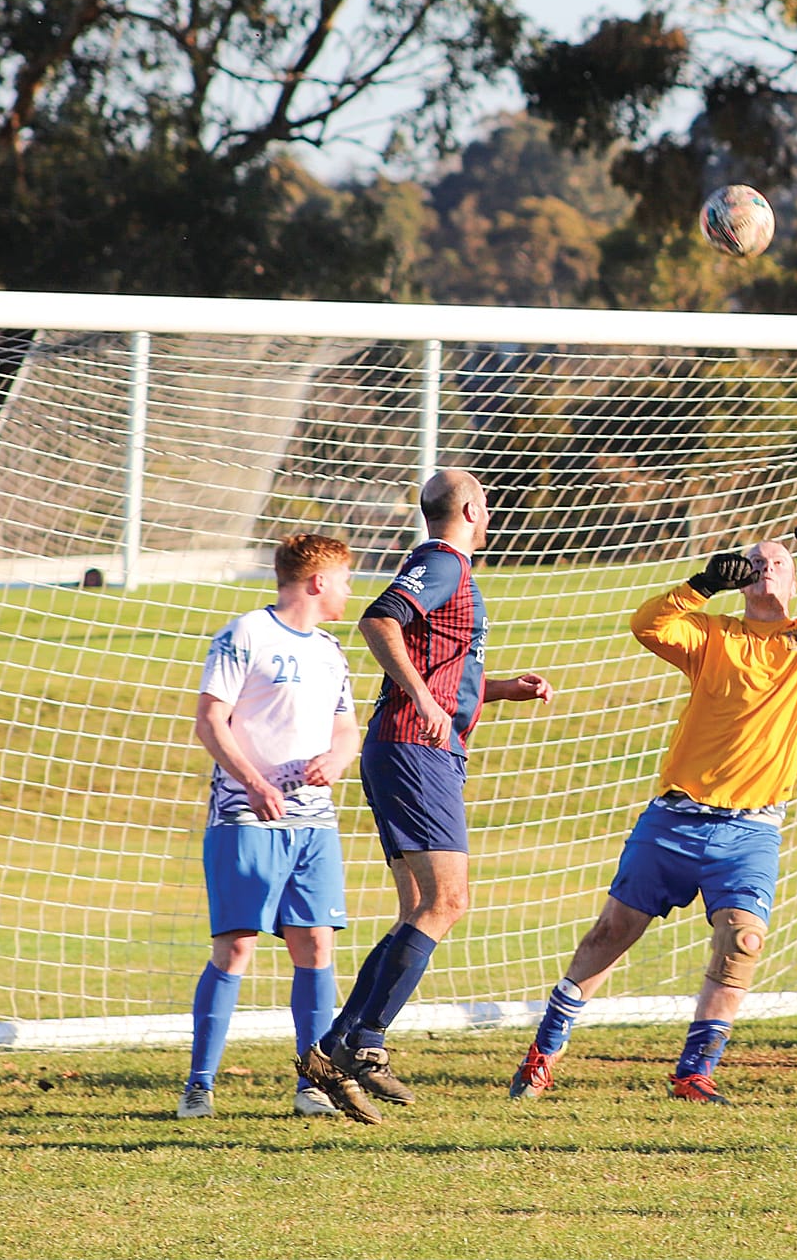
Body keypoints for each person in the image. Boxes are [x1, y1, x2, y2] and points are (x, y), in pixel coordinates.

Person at [509, 515, 797, 1105]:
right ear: (743, 582)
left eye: (781, 563)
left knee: (743, 942)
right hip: (675, 818)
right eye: (757, 562)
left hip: (753, 829)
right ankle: (543, 1054)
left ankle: (695, 1072)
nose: (768, 568)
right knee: (613, 932)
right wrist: (700, 584)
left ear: (795, 581)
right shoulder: (714, 634)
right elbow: (648, 625)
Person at [300, 469, 552, 1123]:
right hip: (415, 746)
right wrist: (421, 697)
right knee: (448, 899)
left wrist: (498, 689)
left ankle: (360, 1041)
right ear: (471, 507)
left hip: (405, 745)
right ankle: (342, 1046)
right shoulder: (443, 563)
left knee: (419, 903)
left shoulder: (444, 571)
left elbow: (439, 664)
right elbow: (378, 619)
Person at [180, 533, 361, 1120]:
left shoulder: (332, 650)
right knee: (236, 947)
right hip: (245, 817)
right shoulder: (244, 634)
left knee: (315, 944)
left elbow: (346, 729)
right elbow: (211, 722)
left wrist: (336, 760)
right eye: (345, 579)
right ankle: (199, 1085)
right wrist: (254, 783)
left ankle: (313, 1083)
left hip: (314, 825)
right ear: (317, 582)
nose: (350, 591)